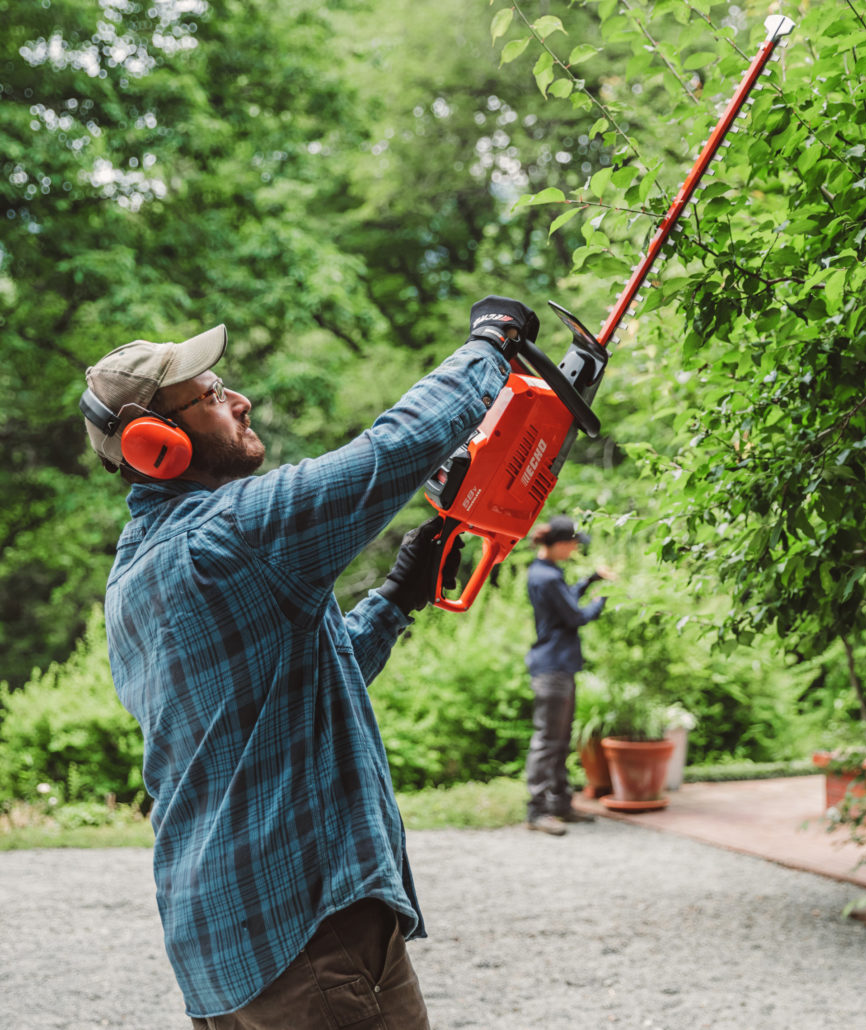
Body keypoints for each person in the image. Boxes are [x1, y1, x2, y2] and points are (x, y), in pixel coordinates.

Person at [79, 296, 540, 1029]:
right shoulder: (230, 535)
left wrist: (393, 600)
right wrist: (493, 343)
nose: (239, 399)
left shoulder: (134, 576)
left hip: (234, 947)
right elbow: (395, 449)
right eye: (209, 396)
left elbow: (299, 691)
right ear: (151, 444)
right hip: (304, 938)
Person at [523, 514, 611, 836]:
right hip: (552, 668)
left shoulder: (546, 573)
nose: (575, 549)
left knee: (559, 741)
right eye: (573, 544)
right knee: (548, 741)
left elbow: (566, 602)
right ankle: (536, 810)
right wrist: (603, 600)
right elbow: (575, 616)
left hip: (558, 667)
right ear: (559, 544)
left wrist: (590, 579)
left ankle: (560, 804)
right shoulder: (545, 577)